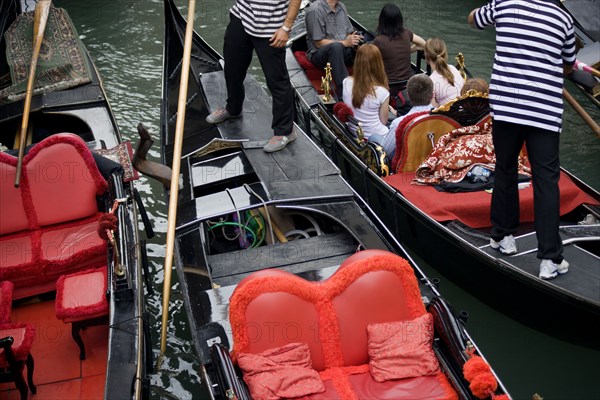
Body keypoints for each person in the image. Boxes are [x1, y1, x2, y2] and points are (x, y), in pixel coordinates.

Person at [469, 0, 576, 280]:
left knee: (505, 169)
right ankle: (550, 258)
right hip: (544, 111)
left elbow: (473, 19)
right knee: (546, 181)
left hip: (508, 108)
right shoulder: (563, 19)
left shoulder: (504, 4)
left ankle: (503, 236)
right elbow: (568, 65)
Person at [205, 0, 301, 153]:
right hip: (242, 17)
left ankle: (285, 132)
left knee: (277, 80)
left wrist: (286, 27)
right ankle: (233, 109)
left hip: (272, 27)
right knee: (232, 68)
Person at [305, 0, 363, 99]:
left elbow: (349, 32)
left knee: (367, 45)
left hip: (342, 50)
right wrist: (345, 43)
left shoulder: (341, 7)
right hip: (319, 54)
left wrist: (353, 39)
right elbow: (318, 43)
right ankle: (344, 92)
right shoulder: (314, 10)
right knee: (336, 47)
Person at [372, 3, 426, 99]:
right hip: (407, 84)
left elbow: (367, 59)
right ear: (399, 20)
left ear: (382, 20)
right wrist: (408, 50)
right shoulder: (407, 33)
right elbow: (423, 44)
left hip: (388, 86)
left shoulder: (378, 41)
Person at [341, 44, 392, 143]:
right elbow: (384, 121)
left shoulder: (346, 82)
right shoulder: (382, 92)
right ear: (378, 64)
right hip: (377, 136)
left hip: (353, 130)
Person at [380, 73, 434, 160]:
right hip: (431, 160)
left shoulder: (398, 123)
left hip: (408, 165)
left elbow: (384, 153)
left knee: (374, 137)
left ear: (408, 95)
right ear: (432, 95)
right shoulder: (443, 117)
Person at [424, 37, 464, 107]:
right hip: (464, 111)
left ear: (427, 57)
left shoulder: (430, 81)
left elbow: (433, 109)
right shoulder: (453, 68)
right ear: (445, 54)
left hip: (447, 116)